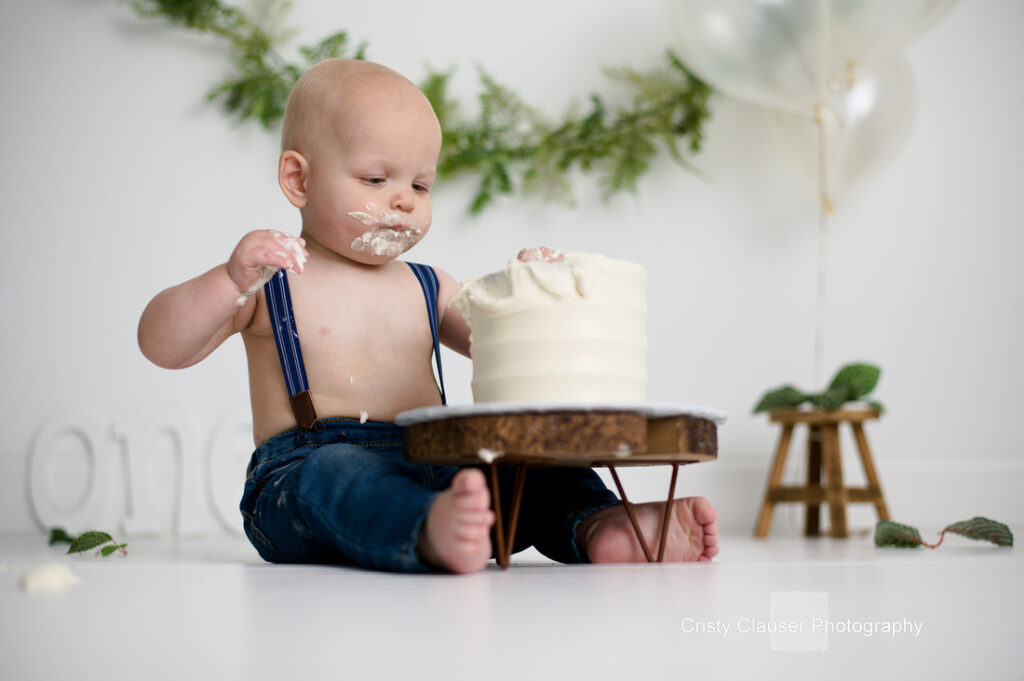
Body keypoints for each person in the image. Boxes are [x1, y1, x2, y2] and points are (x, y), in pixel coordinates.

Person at [137, 59, 719, 573]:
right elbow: (163, 344)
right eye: (376, 179)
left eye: (421, 183)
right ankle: (427, 529)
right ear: (299, 179)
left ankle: (604, 525)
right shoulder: (272, 279)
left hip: (437, 462)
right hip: (304, 474)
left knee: (532, 468)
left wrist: (531, 292)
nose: (404, 200)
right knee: (338, 476)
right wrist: (229, 280)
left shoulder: (428, 284)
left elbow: (504, 345)